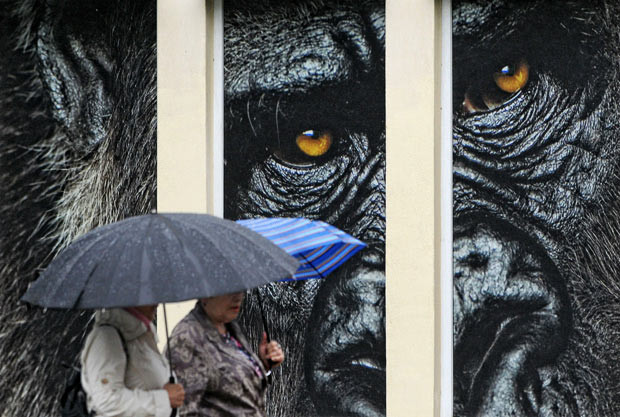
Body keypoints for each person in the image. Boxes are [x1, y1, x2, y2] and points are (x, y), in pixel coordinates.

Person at [168, 291, 285, 416]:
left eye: (241, 290)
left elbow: (232, 388)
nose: (238, 298)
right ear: (206, 295)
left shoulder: (228, 327)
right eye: (230, 291)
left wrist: (262, 364)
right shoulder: (188, 338)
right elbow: (184, 410)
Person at [80, 304, 185, 417]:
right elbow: (106, 401)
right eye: (147, 293)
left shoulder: (141, 335)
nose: (157, 303)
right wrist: (163, 399)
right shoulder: (106, 337)